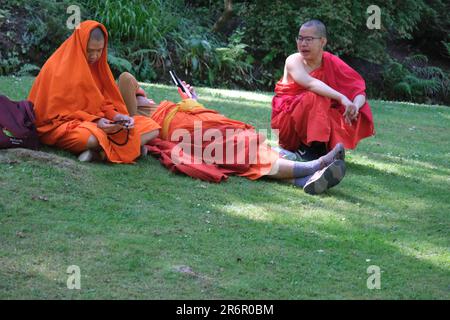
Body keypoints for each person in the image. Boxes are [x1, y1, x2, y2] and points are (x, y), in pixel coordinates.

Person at [143, 85, 347, 195]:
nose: (145, 96)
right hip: (189, 132)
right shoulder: (135, 115)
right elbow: (126, 79)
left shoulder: (151, 109)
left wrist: (192, 100)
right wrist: (117, 115)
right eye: (140, 95)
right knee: (246, 151)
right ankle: (316, 165)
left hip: (203, 124)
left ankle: (307, 180)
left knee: (248, 158)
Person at [28, 20, 160, 163]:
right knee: (90, 138)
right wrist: (96, 121)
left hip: (99, 125)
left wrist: (117, 117)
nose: (95, 56)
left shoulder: (98, 67)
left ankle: (101, 154)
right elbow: (54, 115)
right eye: (90, 50)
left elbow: (103, 104)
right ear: (80, 44)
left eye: (99, 51)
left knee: (152, 128)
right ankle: (126, 149)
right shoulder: (58, 68)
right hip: (62, 126)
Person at [271, 19, 375, 161]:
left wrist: (354, 106)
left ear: (322, 41)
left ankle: (318, 149)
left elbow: (358, 91)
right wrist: (342, 98)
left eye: (308, 39)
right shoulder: (293, 60)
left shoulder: (331, 61)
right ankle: (310, 151)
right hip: (288, 126)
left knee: (346, 107)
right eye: (300, 38)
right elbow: (310, 83)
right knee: (316, 96)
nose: (303, 44)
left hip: (316, 124)